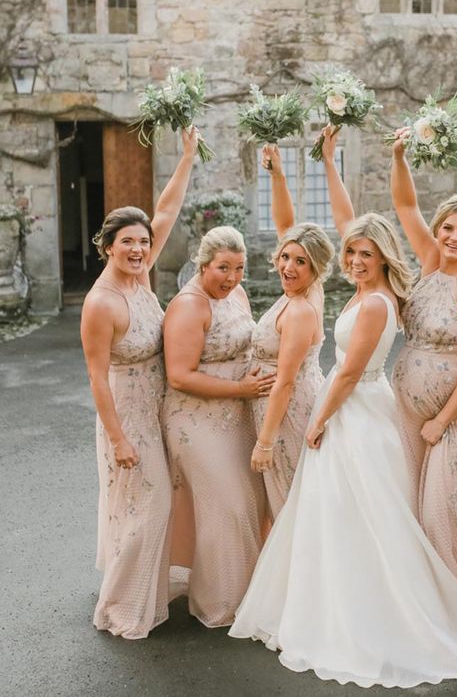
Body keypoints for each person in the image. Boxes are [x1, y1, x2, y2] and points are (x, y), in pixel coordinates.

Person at [229, 213, 457, 688]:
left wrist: (317, 422)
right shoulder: (362, 294)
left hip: (354, 413)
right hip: (347, 406)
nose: (357, 261)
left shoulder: (378, 304)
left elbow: (348, 373)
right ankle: (333, 602)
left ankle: (377, 615)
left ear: (382, 256)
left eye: (367, 254)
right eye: (352, 253)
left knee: (366, 515)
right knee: (336, 514)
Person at [80, 127, 197, 638]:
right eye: (127, 241)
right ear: (107, 246)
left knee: (143, 502)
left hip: (158, 407)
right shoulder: (102, 302)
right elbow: (97, 380)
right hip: (126, 416)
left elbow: (165, 210)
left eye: (143, 242)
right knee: (151, 502)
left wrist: (188, 155)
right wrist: (120, 439)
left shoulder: (142, 274)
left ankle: (142, 586)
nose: (138, 248)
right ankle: (121, 606)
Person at [388, 129, 457, 609]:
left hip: (455, 420)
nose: (453, 237)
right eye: (447, 228)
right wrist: (398, 155)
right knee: (409, 509)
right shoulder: (430, 264)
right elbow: (406, 207)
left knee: (444, 512)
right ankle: (424, 608)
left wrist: (441, 420)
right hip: (408, 413)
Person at [162, 225, 273, 627]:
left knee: (254, 498)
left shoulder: (238, 294)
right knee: (229, 504)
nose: (231, 278)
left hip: (238, 413)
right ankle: (221, 601)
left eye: (239, 268)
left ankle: (252, 592)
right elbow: (179, 375)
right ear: (202, 264)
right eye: (223, 268)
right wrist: (241, 388)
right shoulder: (189, 306)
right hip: (195, 419)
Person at [249, 144, 335, 519]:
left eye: (300, 262)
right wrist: (277, 175)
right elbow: (288, 227)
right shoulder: (303, 290)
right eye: (285, 257)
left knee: (290, 507)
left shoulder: (301, 309)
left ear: (315, 269)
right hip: (283, 408)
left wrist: (265, 442)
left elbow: (284, 382)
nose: (288, 266)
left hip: (288, 416)